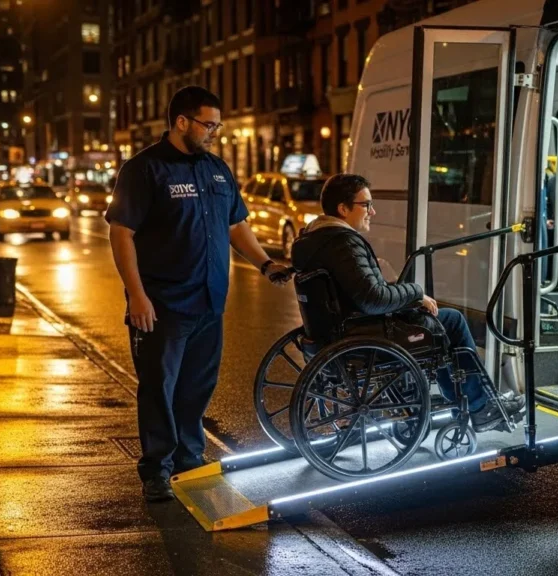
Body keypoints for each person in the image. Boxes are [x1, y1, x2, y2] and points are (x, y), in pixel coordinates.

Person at [105, 86, 293, 503]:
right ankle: (157, 469)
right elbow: (122, 233)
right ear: (182, 122)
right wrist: (136, 295)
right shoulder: (144, 169)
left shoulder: (217, 169)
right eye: (209, 125)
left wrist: (266, 264)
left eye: (217, 126)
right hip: (162, 305)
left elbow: (235, 225)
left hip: (209, 301)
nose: (214, 133)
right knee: (159, 388)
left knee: (196, 387)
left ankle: (189, 460)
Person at [291, 174, 526, 432]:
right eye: (366, 205)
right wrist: (416, 293)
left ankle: (473, 402)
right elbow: (374, 299)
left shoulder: (309, 241)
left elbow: (360, 291)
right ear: (343, 209)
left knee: (439, 324)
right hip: (365, 334)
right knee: (452, 322)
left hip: (335, 333)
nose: (372, 211)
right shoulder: (343, 242)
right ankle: (481, 407)